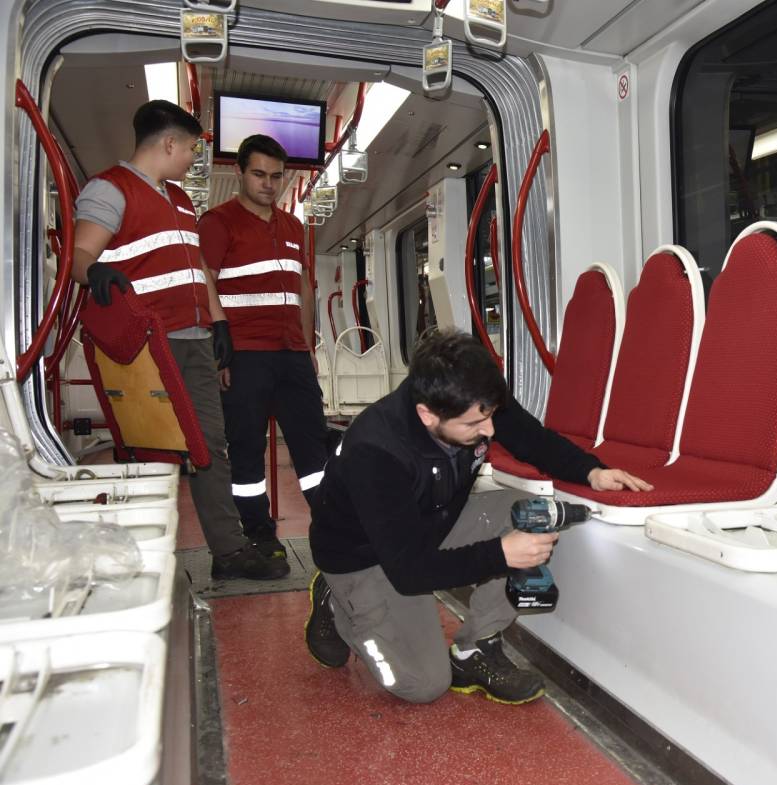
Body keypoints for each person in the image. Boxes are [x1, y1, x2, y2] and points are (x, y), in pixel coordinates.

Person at [305, 330, 651, 704]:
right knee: (422, 684)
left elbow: (532, 439)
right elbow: (410, 572)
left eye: (489, 417)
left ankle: (475, 650)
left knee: (532, 514)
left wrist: (592, 472)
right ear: (427, 415)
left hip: (427, 525)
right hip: (366, 561)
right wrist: (501, 554)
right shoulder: (376, 452)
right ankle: (339, 601)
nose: (488, 430)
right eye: (474, 425)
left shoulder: (472, 398)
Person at [72, 100, 286, 581]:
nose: (193, 157)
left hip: (192, 341)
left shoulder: (182, 201)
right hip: (144, 345)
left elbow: (198, 271)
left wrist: (219, 322)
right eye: (191, 148)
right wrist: (95, 271)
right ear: (169, 143)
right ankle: (143, 557)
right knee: (152, 448)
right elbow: (79, 255)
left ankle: (229, 552)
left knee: (211, 444)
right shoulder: (110, 189)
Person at [198, 134, 326, 565]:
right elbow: (205, 285)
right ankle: (258, 534)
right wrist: (219, 354)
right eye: (259, 174)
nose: (268, 184)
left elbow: (303, 289)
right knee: (246, 450)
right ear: (239, 173)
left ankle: (330, 523)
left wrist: (307, 346)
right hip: (244, 353)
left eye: (275, 176)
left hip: (291, 354)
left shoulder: (293, 227)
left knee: (313, 448)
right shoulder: (218, 223)